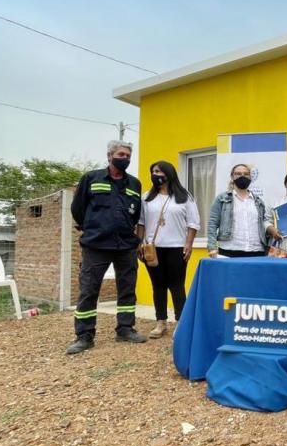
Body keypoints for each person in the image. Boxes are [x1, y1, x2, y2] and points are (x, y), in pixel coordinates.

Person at [66, 140, 147, 355]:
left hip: (125, 245)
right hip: (96, 244)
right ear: (110, 155)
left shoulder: (134, 184)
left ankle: (125, 329)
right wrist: (92, 227)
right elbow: (78, 208)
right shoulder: (91, 178)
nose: (125, 159)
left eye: (128, 156)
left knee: (127, 289)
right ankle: (84, 336)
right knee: (89, 289)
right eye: (121, 154)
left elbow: (135, 212)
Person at [137, 160, 200, 339]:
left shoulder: (184, 196)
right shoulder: (146, 197)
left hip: (177, 248)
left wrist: (189, 244)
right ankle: (161, 323)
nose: (156, 174)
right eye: (153, 171)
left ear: (169, 173)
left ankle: (181, 323)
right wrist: (139, 243)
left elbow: (193, 223)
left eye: (159, 171)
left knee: (177, 286)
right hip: (152, 249)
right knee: (158, 285)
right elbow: (140, 222)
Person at [207, 163, 268, 257]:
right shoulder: (222, 199)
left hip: (257, 251)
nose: (242, 176)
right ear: (232, 177)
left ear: (250, 177)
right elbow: (212, 223)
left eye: (246, 174)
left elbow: (264, 223)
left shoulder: (259, 202)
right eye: (238, 174)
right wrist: (212, 247)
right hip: (230, 250)